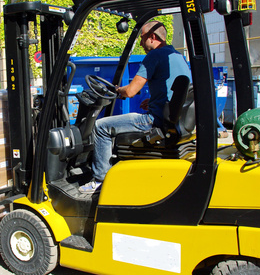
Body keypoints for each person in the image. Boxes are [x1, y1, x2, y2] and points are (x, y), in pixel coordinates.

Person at [79, 21, 191, 193]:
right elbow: (174, 90)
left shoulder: (154, 56)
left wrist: (118, 90)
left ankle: (100, 180)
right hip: (172, 118)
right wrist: (155, 101)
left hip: (153, 121)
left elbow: (130, 91)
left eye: (142, 38)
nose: (140, 43)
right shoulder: (177, 56)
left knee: (101, 126)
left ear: (152, 37)